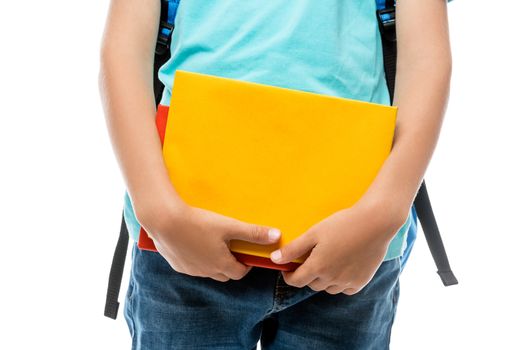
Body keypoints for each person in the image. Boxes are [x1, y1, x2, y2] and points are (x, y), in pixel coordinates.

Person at [99, 0, 452, 348]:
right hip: (184, 235)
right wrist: (158, 212)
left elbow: (427, 61)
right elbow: (122, 53)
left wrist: (383, 215)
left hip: (351, 241)